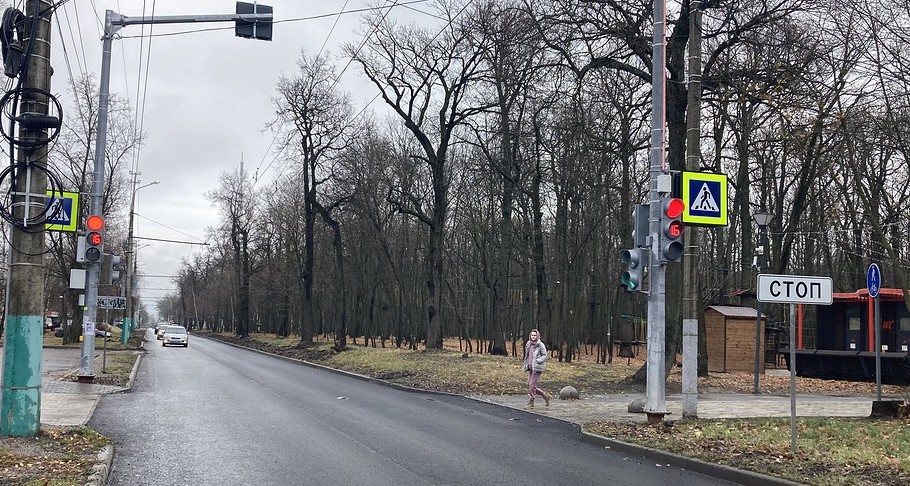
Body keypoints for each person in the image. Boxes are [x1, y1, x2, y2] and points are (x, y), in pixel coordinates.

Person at [522, 329, 551, 409]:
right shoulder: (528, 344)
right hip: (530, 367)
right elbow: (527, 355)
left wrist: (538, 361)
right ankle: (545, 395)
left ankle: (531, 401)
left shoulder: (540, 344)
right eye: (532, 335)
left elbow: (545, 355)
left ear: (537, 336)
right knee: (532, 386)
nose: (533, 337)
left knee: (531, 385)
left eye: (535, 335)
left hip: (537, 367)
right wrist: (526, 363)